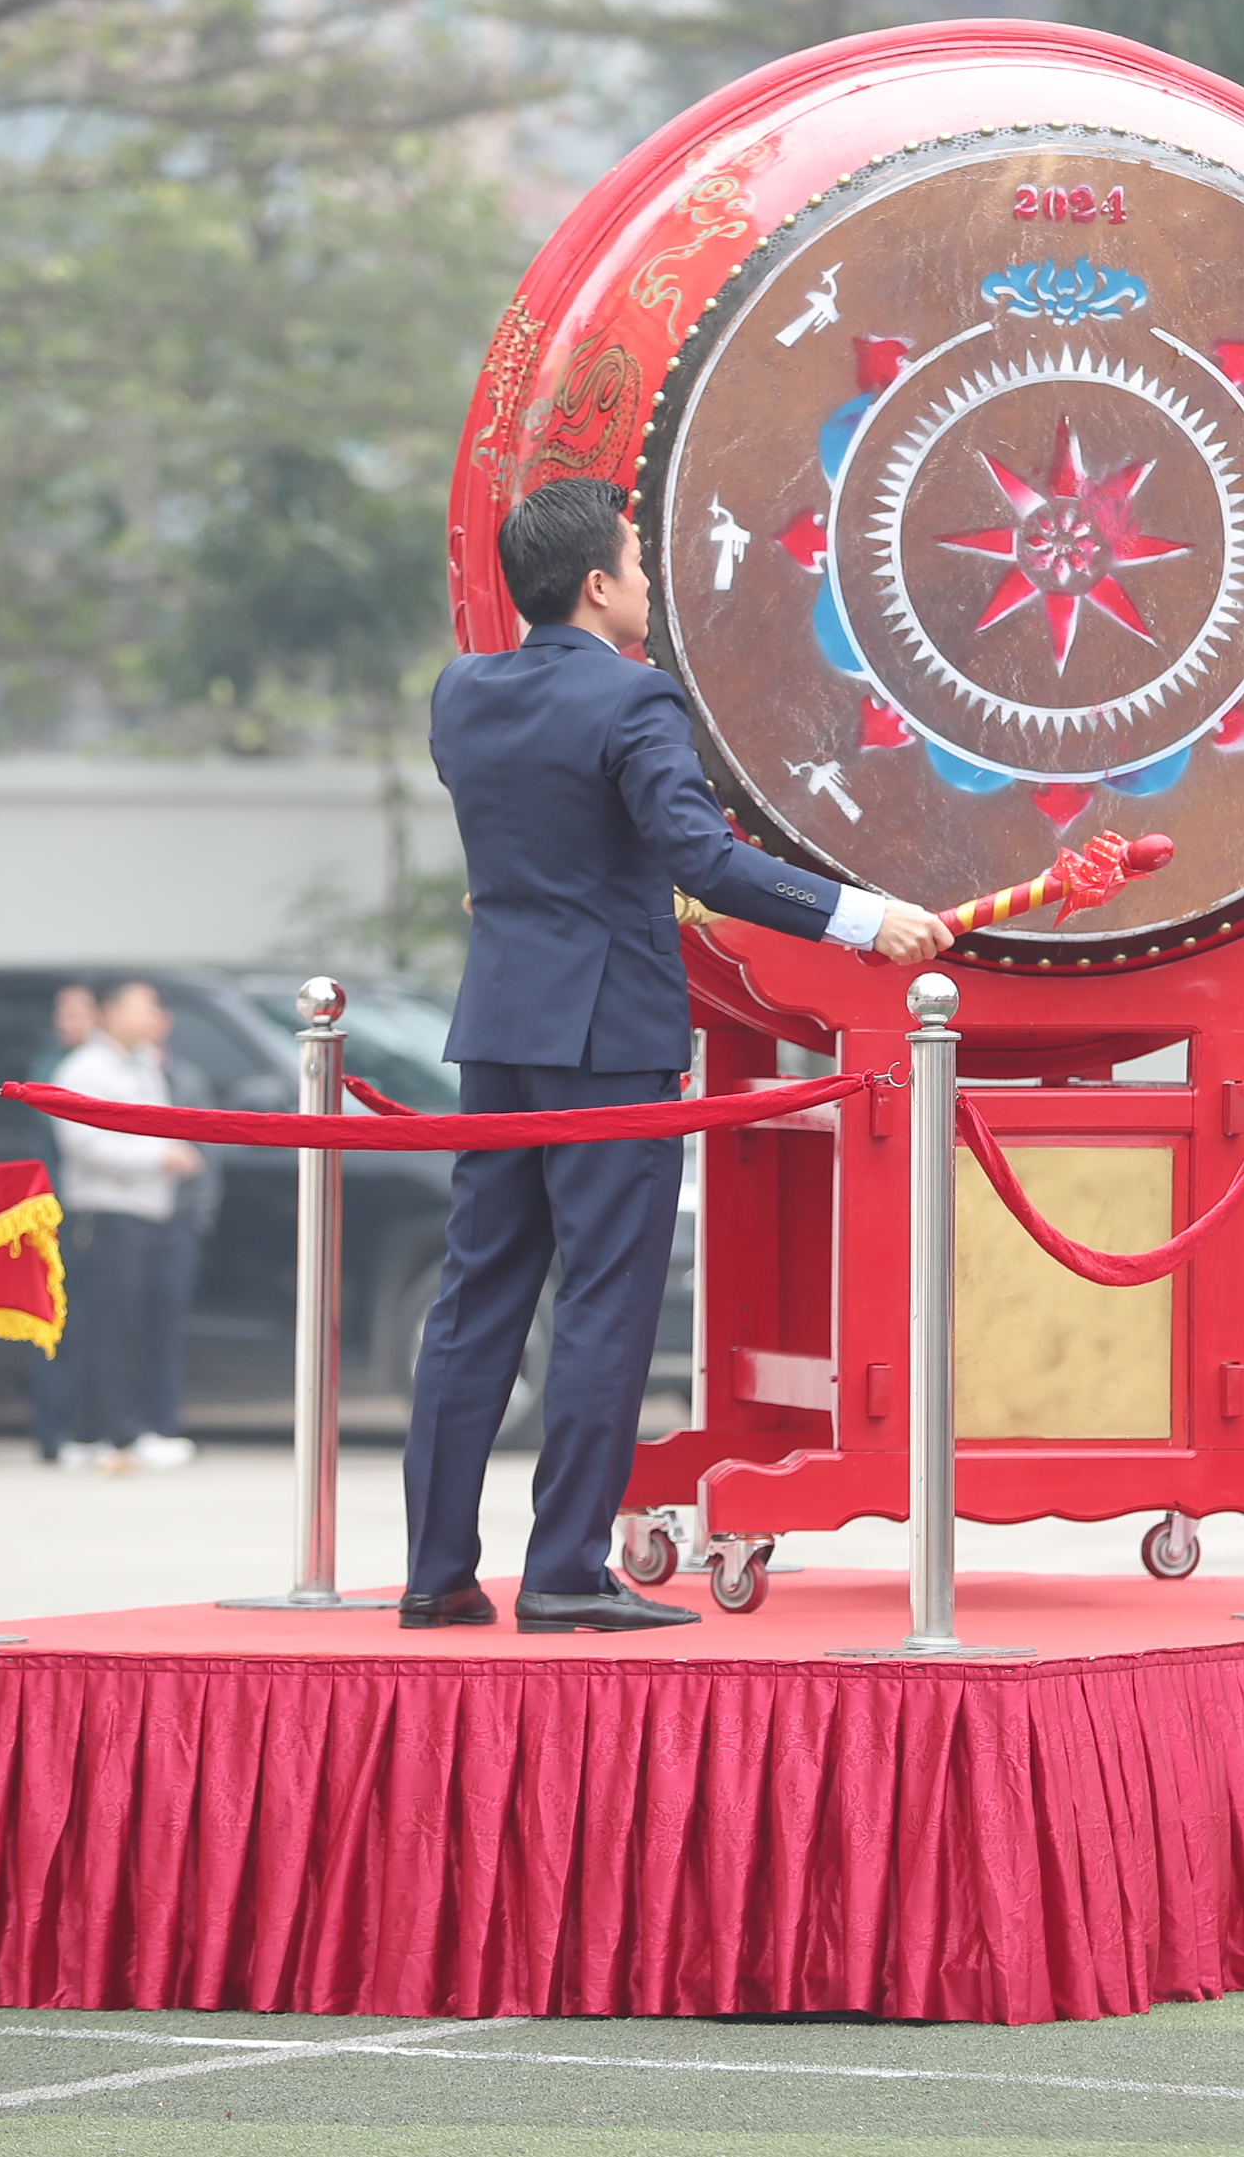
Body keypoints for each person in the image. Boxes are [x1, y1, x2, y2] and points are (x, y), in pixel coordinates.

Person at [406, 477, 953, 1633]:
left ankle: (436, 1571)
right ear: (597, 585)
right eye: (637, 562)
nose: (648, 582)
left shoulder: (462, 692)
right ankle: (563, 1570)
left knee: (476, 1300)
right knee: (603, 1300)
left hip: (498, 1025)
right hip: (607, 1034)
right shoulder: (633, 696)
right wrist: (864, 916)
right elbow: (700, 857)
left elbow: (528, 844)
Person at [46, 980, 205, 1474]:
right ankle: (104, 1434)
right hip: (107, 1212)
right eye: (142, 1007)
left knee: (138, 1326)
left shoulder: (145, 1065)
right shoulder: (85, 1069)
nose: (151, 1016)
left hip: (149, 1212)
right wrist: (159, 1158)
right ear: (111, 1014)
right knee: (106, 1329)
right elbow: (84, 1142)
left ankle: (125, 1430)